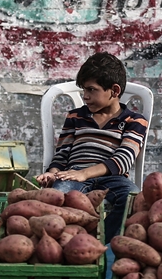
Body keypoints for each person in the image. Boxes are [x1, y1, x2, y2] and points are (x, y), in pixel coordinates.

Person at [36, 52, 148, 242]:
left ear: (114, 90)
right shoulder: (75, 117)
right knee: (56, 198)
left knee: (134, 199)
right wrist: (53, 172)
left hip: (114, 178)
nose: (85, 96)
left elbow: (124, 159)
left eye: (91, 90)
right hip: (73, 175)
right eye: (83, 91)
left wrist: (85, 173)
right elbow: (62, 153)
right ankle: (67, 243)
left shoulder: (135, 120)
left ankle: (105, 243)